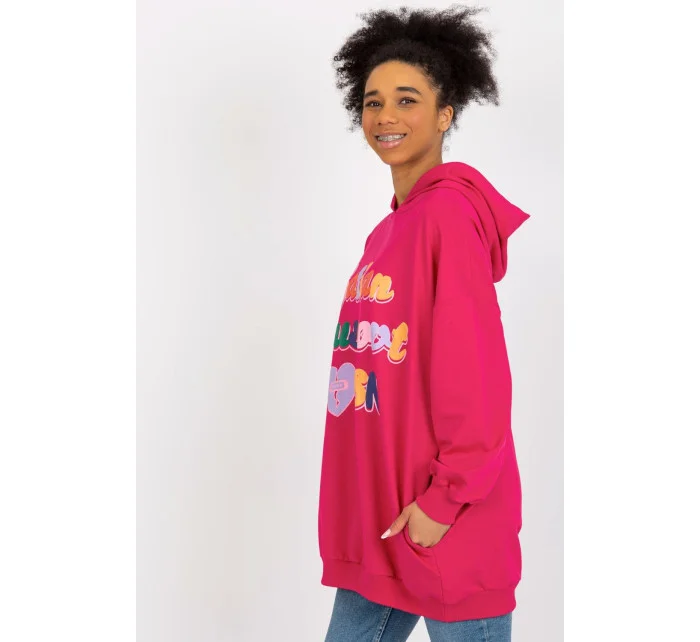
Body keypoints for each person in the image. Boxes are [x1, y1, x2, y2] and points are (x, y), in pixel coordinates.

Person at [318, 6, 530, 641]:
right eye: (373, 101)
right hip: (386, 524)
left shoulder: (448, 219)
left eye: (407, 99)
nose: (386, 115)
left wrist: (444, 502)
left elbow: (477, 378)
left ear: (446, 114)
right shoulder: (389, 230)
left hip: (447, 523)